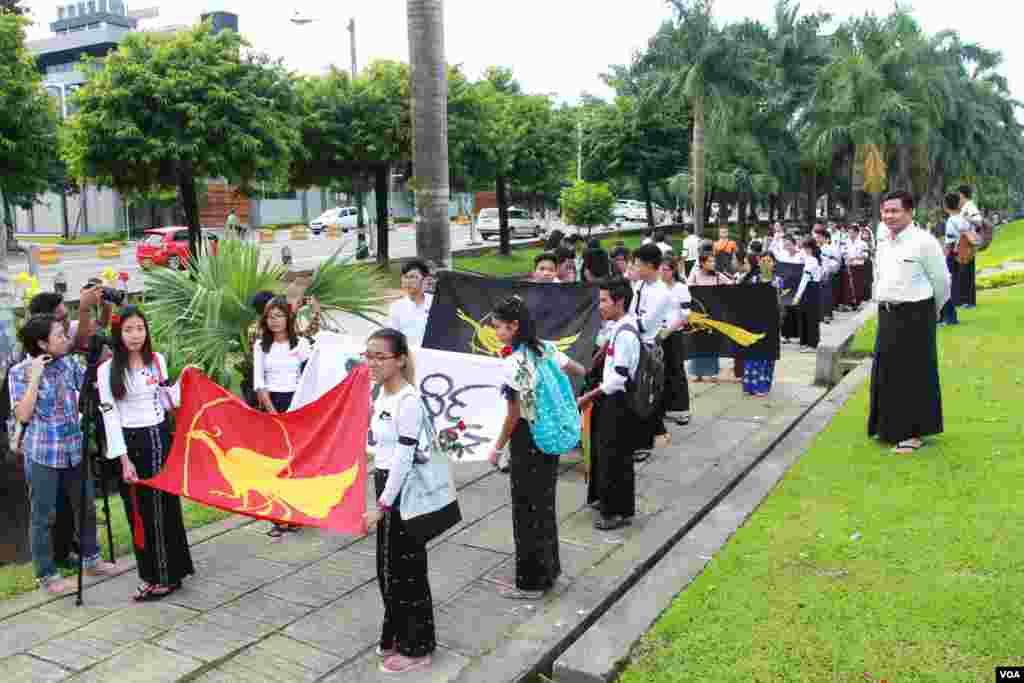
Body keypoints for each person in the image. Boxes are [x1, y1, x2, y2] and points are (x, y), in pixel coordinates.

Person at [10, 307, 120, 594]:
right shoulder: (18, 372)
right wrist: (34, 377)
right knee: (44, 515)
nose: (65, 338)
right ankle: (47, 575)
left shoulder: (69, 364)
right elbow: (23, 414)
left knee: (85, 505)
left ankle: (91, 558)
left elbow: (90, 386)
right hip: (43, 453)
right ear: (42, 344)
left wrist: (101, 363)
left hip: (74, 447)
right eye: (59, 335)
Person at [487, 297, 584, 597]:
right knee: (544, 504)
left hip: (528, 438)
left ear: (514, 326)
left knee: (526, 510)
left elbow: (514, 413)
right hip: (551, 435)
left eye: (500, 329)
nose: (497, 334)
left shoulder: (515, 362)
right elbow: (578, 369)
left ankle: (530, 582)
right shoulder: (545, 348)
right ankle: (549, 570)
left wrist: (497, 446)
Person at [98, 306, 193, 601]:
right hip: (132, 445)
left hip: (161, 439)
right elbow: (110, 417)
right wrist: (123, 460)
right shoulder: (107, 371)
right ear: (119, 334)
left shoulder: (157, 361)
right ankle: (153, 575)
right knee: (141, 512)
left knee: (166, 507)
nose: (136, 335)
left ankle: (170, 575)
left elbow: (167, 400)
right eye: (129, 329)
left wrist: (187, 378)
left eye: (140, 328)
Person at [361, 329, 436, 674]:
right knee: (388, 569)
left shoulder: (408, 401)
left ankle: (417, 646)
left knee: (406, 572)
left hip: (401, 494)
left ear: (400, 359)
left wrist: (382, 506)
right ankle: (395, 632)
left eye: (380, 357)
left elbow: (404, 460)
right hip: (386, 484)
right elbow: (381, 447)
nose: (372, 363)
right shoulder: (381, 395)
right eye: (369, 356)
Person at [869, 191, 950, 454]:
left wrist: (932, 311)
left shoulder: (923, 242)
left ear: (909, 212)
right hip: (888, 312)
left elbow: (942, 282)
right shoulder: (883, 241)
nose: (889, 216)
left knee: (914, 373)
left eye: (895, 211)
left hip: (916, 313)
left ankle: (911, 434)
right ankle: (887, 427)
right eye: (885, 211)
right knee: (887, 370)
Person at [578, 279, 641, 530]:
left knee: (614, 456)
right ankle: (604, 499)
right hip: (611, 399)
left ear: (619, 301)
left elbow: (618, 378)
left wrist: (588, 396)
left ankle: (616, 512)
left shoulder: (625, 333)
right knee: (605, 452)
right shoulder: (620, 326)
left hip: (618, 400)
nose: (600, 305)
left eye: (604, 300)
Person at [253, 296, 312, 538]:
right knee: (275, 464)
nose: (274, 321)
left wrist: (297, 409)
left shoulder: (301, 344)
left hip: (297, 404)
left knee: (297, 461)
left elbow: (310, 376)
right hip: (271, 406)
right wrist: (272, 412)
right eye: (270, 317)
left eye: (279, 316)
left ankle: (296, 514)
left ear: (288, 317)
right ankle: (278, 517)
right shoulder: (260, 346)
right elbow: (259, 382)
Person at [629, 244, 682, 461]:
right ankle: (652, 434)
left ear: (651, 266)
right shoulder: (640, 285)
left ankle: (643, 444)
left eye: (638, 265)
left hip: (647, 348)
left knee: (643, 395)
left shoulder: (661, 293)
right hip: (634, 344)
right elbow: (632, 312)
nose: (635, 268)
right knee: (636, 395)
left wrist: (624, 322)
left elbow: (644, 323)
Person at [742, 252, 785, 397]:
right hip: (755, 321)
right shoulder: (753, 280)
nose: (766, 263)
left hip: (771, 321)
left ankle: (762, 386)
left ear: (774, 264)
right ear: (759, 264)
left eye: (769, 261)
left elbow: (779, 303)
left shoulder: (778, 281)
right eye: (763, 261)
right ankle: (749, 385)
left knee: (767, 355)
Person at [656, 254, 692, 425]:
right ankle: (664, 407)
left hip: (674, 334)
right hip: (658, 333)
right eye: (660, 269)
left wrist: (669, 330)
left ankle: (682, 410)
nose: (663, 272)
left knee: (676, 370)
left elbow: (685, 316)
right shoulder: (657, 287)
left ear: (673, 271)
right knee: (661, 372)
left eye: (666, 269)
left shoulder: (681, 288)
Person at [687, 252, 733, 381]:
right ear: (702, 263)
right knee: (698, 342)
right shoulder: (695, 275)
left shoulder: (719, 276)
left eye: (713, 261)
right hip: (699, 315)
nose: (713, 264)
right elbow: (689, 289)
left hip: (714, 315)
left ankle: (712, 373)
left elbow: (732, 285)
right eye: (709, 261)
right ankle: (698, 373)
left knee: (712, 342)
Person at [385, 260, 433, 347]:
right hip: (408, 354)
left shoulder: (434, 302)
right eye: (405, 277)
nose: (408, 281)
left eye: (413, 277)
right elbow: (391, 338)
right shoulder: (396, 307)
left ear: (425, 280)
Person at [940, 192, 969, 326]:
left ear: (946, 206)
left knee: (946, 287)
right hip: (962, 254)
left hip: (952, 255)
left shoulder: (951, 221)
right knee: (952, 286)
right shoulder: (963, 218)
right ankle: (949, 317)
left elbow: (949, 243)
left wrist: (942, 258)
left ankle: (949, 318)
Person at [793, 237, 822, 353]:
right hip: (813, 288)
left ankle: (812, 344)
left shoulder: (811, 260)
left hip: (810, 289)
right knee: (806, 315)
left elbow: (805, 279)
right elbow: (799, 256)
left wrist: (797, 295)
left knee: (810, 316)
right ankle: (806, 342)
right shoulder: (813, 258)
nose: (803, 250)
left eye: (804, 248)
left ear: (809, 249)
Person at [957, 185, 982, 309]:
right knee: (964, 271)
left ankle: (970, 301)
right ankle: (966, 300)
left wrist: (967, 218)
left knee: (968, 270)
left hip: (968, 240)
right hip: (964, 239)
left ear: (962, 194)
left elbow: (978, 221)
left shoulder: (970, 206)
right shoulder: (965, 207)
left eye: (959, 195)